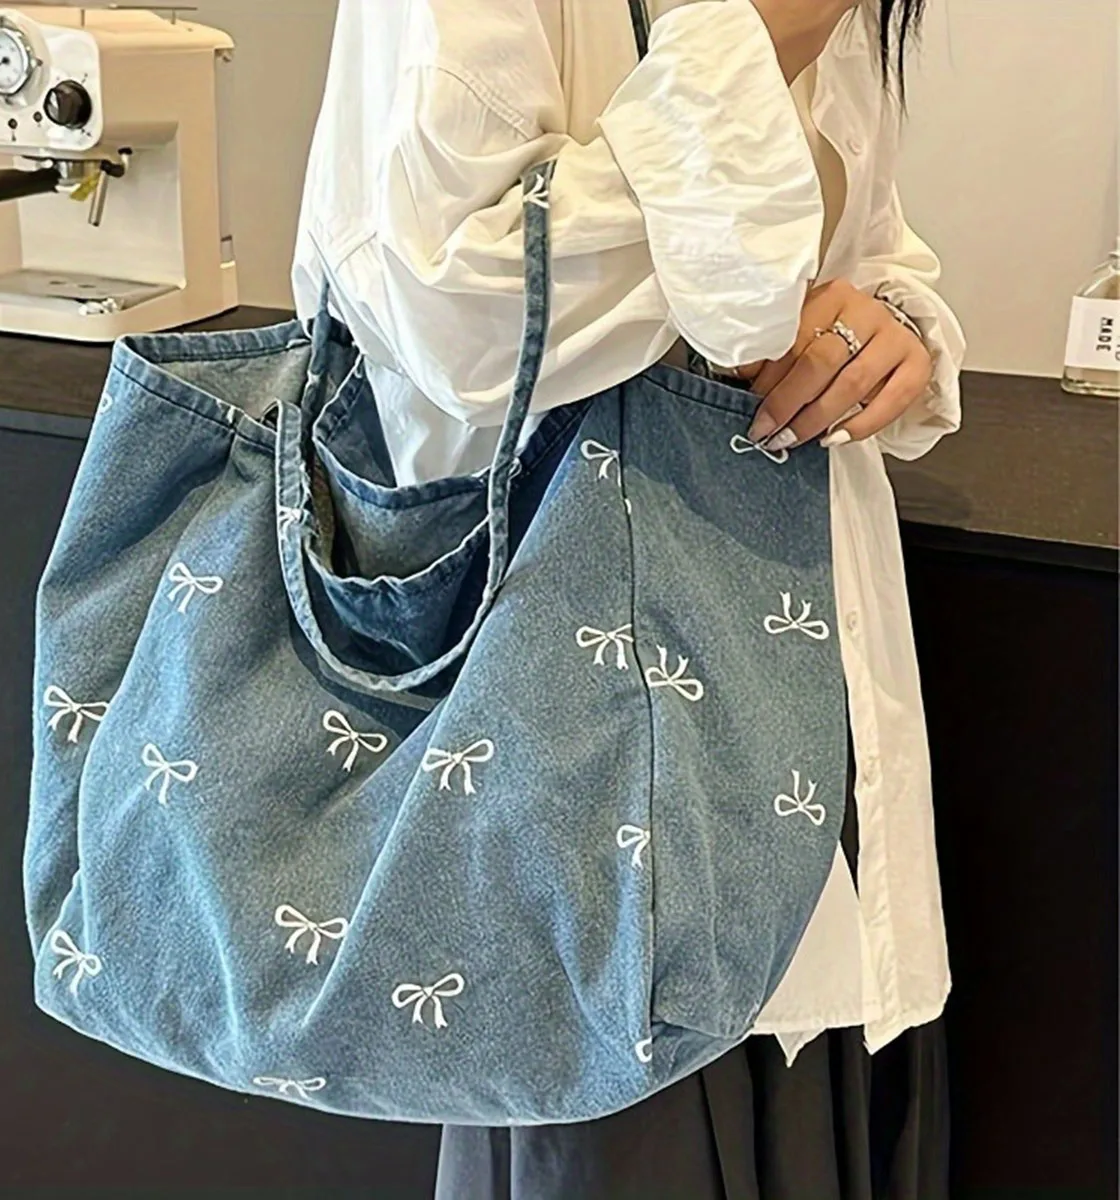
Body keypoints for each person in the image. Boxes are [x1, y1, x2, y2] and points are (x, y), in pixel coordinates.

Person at [293, 0, 965, 1196]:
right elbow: (440, 303)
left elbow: (866, 253)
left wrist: (888, 333)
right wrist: (751, 46)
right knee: (616, 1118)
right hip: (584, 751)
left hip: (802, 708)